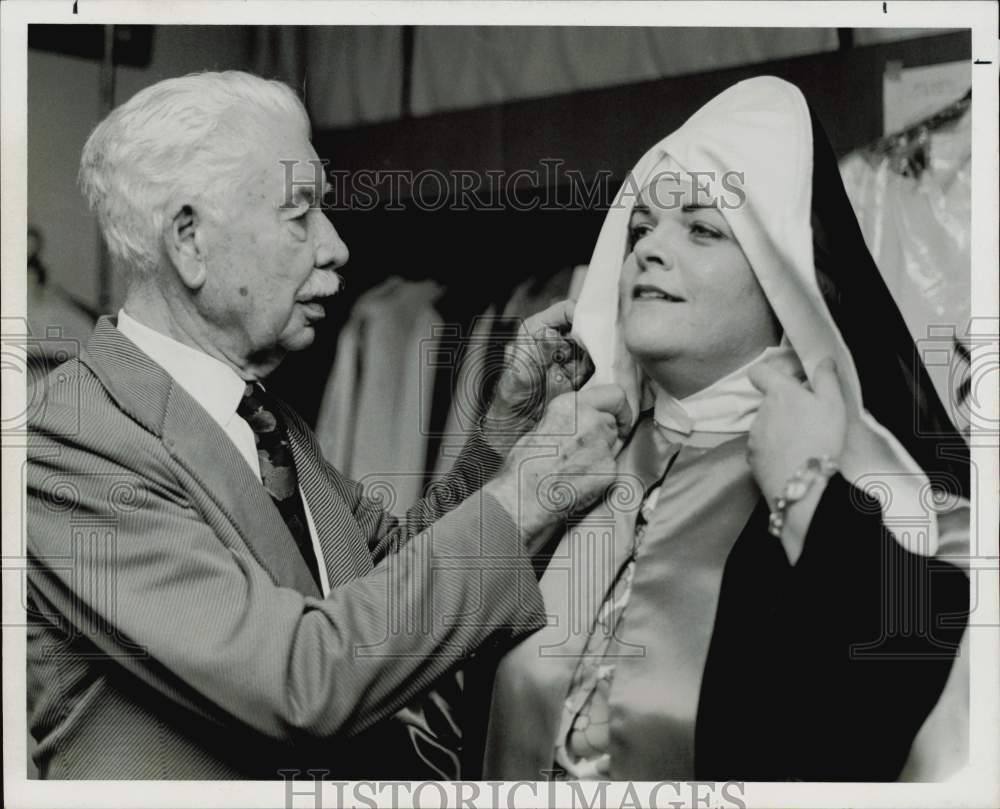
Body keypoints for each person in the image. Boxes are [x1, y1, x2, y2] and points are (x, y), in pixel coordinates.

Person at [25, 70, 630, 780]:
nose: (337, 245)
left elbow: (391, 575)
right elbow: (298, 679)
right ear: (189, 239)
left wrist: (505, 431)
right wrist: (525, 497)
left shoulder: (264, 419)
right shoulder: (67, 444)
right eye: (300, 212)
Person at [482, 76, 970, 782]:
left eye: (704, 228)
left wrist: (807, 493)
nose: (648, 250)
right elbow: (420, 677)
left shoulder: (872, 498)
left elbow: (909, 716)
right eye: (642, 227)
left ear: (786, 282)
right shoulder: (573, 460)